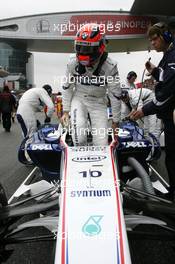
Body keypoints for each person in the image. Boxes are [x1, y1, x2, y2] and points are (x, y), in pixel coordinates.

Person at [129, 22, 175, 200]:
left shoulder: (173, 55)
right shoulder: (168, 55)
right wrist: (155, 71)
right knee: (171, 156)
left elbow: (167, 91)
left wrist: (144, 110)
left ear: (166, 37)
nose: (152, 43)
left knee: (172, 157)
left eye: (154, 39)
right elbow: (166, 77)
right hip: (168, 115)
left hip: (171, 115)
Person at [61, 23, 121, 146]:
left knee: (101, 143)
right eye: (81, 48)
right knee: (79, 137)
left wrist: (116, 121)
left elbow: (115, 95)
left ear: (100, 47)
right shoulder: (72, 63)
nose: (84, 53)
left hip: (99, 102)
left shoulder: (110, 67)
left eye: (88, 49)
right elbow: (67, 87)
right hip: (79, 99)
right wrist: (66, 111)